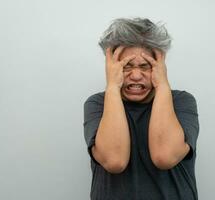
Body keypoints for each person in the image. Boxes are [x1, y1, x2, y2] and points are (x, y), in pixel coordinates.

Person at [83, 17, 200, 200]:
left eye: (145, 66)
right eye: (126, 66)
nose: (136, 76)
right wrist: (112, 86)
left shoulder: (181, 102)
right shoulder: (97, 104)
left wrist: (162, 85)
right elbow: (115, 161)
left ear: (160, 67)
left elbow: (165, 156)